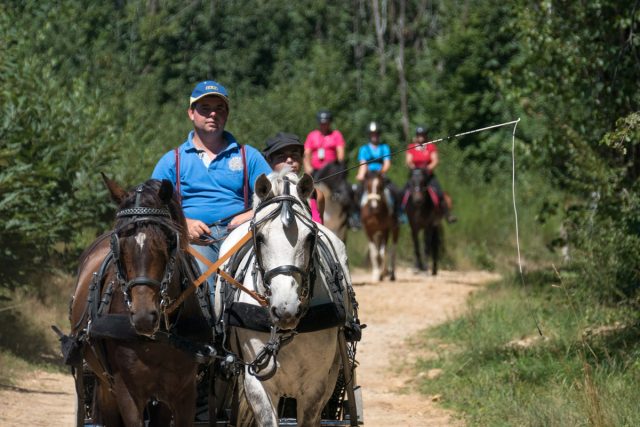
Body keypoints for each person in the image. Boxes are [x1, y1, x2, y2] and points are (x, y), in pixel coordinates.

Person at [151, 80, 272, 303]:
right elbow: (153, 206)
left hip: (241, 235)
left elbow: (273, 197)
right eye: (204, 108)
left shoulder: (248, 156)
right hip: (195, 241)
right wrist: (184, 223)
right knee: (200, 287)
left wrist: (249, 216)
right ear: (191, 113)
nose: (212, 114)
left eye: (219, 108)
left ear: (227, 114)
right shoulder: (173, 160)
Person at [263, 132, 325, 224]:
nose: (289, 160)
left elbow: (321, 233)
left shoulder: (315, 196)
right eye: (281, 157)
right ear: (269, 161)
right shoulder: (263, 194)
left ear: (301, 159)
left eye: (295, 155)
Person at [405, 125, 457, 223]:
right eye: (419, 135)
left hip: (427, 176)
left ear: (425, 136)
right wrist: (416, 170)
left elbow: (435, 161)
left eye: (423, 135)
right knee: (404, 193)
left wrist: (426, 169)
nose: (421, 137)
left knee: (439, 193)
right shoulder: (411, 147)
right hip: (415, 177)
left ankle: (447, 214)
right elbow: (408, 161)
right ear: (416, 136)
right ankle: (401, 215)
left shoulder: (430, 146)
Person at [354, 122, 401, 220]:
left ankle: (398, 214)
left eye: (376, 133)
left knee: (395, 190)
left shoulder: (384, 147)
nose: (374, 136)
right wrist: (361, 175)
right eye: (372, 134)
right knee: (357, 192)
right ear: (369, 135)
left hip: (381, 175)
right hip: (369, 176)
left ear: (379, 134)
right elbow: (363, 164)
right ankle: (357, 216)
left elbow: (387, 163)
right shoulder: (364, 149)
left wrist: (380, 172)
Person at [303, 110, 346, 179]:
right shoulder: (312, 135)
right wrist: (308, 168)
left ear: (330, 123)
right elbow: (307, 153)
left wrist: (339, 168)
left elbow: (341, 154)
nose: (323, 125)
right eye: (321, 123)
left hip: (331, 171)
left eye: (326, 123)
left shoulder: (336, 135)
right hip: (314, 171)